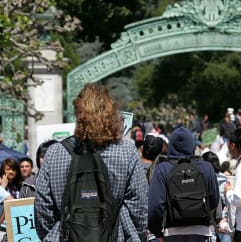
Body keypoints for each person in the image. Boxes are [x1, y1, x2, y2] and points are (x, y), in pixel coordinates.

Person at [35, 83, 148, 241]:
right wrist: (137, 235)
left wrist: (53, 233)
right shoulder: (126, 152)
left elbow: (42, 208)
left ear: (78, 113)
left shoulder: (55, 153)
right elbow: (139, 207)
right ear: (110, 112)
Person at [148, 127, 219, 242]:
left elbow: (155, 206)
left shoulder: (162, 169)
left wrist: (157, 232)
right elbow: (214, 201)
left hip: (172, 234)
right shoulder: (206, 168)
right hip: (202, 233)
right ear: (192, 145)